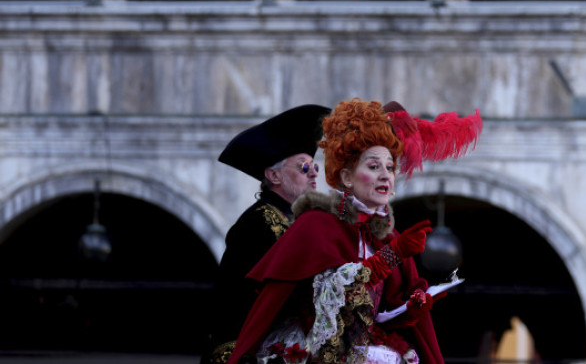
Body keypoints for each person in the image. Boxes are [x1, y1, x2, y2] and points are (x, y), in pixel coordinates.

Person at [227, 97, 482, 364]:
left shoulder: (388, 238)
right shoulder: (317, 225)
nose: (385, 175)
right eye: (373, 166)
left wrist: (415, 303)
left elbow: (389, 312)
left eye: (390, 167)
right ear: (347, 177)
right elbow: (334, 297)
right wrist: (391, 257)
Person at [201, 104, 332, 364]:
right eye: (304, 167)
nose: (315, 173)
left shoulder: (300, 220)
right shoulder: (259, 221)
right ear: (274, 175)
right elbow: (234, 304)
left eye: (314, 166)